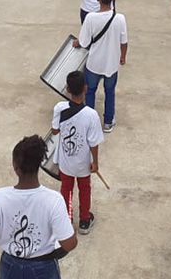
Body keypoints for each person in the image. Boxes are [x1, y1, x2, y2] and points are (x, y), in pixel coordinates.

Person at [0, 135, 77, 278]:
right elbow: (69, 245)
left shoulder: (1, 197)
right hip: (44, 266)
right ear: (39, 165)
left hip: (10, 265)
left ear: (15, 167)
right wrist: (72, 232)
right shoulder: (53, 200)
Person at [51, 71, 103, 235]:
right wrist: (95, 162)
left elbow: (54, 131)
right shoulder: (91, 115)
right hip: (83, 163)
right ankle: (85, 220)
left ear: (67, 89)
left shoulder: (59, 108)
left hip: (66, 161)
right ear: (85, 89)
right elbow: (94, 143)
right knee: (84, 188)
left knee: (66, 188)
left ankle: (67, 219)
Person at [73, 0, 127, 133]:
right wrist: (122, 57)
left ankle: (90, 123)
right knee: (110, 91)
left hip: (93, 64)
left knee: (90, 91)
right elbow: (124, 42)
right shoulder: (120, 19)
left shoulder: (90, 18)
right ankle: (108, 122)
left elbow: (84, 43)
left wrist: (77, 42)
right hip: (111, 64)